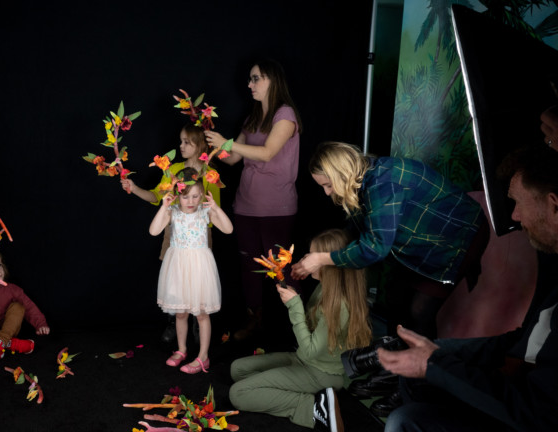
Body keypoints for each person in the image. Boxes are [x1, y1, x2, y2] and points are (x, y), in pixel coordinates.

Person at [291, 141, 489, 415]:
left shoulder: (383, 182)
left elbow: (374, 248)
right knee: (395, 300)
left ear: (342, 173)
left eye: (328, 185)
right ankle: (395, 372)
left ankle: (417, 386)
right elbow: (359, 230)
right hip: (416, 243)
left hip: (455, 237)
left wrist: (324, 259)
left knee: (419, 312)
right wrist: (318, 253)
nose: (327, 193)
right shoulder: (362, 181)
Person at [377, 144, 558, 432]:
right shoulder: (552, 261)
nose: (514, 217)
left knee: (403, 420)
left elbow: (537, 411)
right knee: (418, 357)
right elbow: (528, 337)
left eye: (518, 203)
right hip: (523, 372)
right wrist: (434, 354)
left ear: (554, 206)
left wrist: (437, 366)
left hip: (532, 412)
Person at [229, 229, 372, 431]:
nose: (305, 259)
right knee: (238, 369)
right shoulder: (326, 285)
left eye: (312, 256)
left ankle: (310, 407)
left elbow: (309, 349)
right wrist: (279, 274)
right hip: (303, 361)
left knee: (238, 394)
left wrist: (294, 306)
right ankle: (309, 395)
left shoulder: (338, 305)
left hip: (320, 373)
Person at [204, 58, 302, 340]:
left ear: (272, 79)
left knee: (279, 267)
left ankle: (291, 326)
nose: (250, 84)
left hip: (276, 208)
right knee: (249, 267)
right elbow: (233, 158)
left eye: (256, 78)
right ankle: (255, 320)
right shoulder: (252, 118)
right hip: (246, 206)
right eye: (250, 79)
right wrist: (211, 142)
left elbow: (268, 152)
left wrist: (227, 142)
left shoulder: (285, 115)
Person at [123, 124, 223, 342]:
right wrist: (134, 188)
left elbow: (214, 210)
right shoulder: (174, 169)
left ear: (199, 145)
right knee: (175, 279)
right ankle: (175, 320)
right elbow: (156, 197)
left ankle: (198, 321)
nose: (181, 146)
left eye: (187, 142)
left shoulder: (210, 172)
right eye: (181, 141)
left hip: (199, 235)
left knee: (197, 281)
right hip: (175, 231)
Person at [149, 167, 233, 374]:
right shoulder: (173, 212)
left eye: (196, 196)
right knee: (181, 313)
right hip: (178, 267)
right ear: (178, 195)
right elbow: (153, 231)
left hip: (199, 267)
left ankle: (203, 356)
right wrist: (163, 207)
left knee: (202, 314)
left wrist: (215, 208)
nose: (191, 201)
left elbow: (228, 229)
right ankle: (182, 350)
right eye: (186, 197)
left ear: (202, 195)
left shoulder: (205, 212)